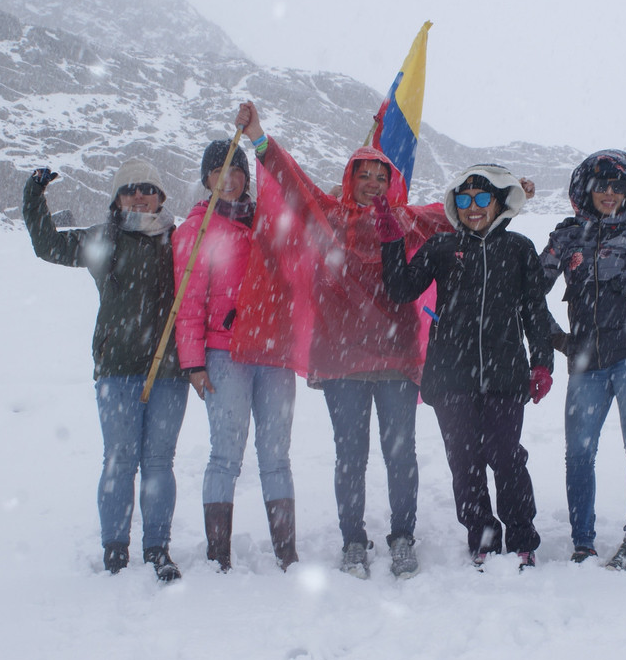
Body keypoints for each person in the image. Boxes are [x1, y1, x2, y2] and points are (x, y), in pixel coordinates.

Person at [236, 101, 451, 579]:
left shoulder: (406, 220)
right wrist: (260, 139)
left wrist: (504, 194)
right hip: (341, 361)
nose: (373, 185)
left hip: (396, 357)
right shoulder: (327, 217)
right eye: (365, 177)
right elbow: (294, 185)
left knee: (401, 453)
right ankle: (353, 540)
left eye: (381, 177)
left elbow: (457, 213)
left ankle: (402, 537)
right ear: (350, 179)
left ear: (391, 182)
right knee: (350, 455)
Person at [377, 165, 554, 570]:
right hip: (451, 376)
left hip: (507, 375)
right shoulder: (442, 247)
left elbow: (534, 311)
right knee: (465, 462)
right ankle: (484, 539)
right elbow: (401, 288)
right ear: (454, 205)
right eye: (464, 200)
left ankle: (523, 538)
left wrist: (542, 363)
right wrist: (391, 239)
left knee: (506, 456)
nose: (473, 209)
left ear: (497, 203)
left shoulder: (519, 248)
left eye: (481, 199)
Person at [22, 159, 188, 582]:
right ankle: (115, 549)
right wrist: (34, 196)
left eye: (148, 188)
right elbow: (47, 245)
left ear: (161, 196)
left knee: (158, 462)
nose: (140, 195)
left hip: (168, 370)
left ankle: (157, 549)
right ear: (117, 197)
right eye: (130, 188)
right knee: (119, 461)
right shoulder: (104, 238)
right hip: (116, 370)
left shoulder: (182, 239)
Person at [539, 150, 626, 570]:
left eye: (618, 187)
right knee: (578, 453)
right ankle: (583, 543)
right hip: (585, 363)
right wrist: (555, 338)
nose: (609, 194)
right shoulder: (566, 238)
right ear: (585, 189)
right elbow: (528, 289)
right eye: (601, 186)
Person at [172, 138, 299, 572]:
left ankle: (286, 551)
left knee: (276, 454)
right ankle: (217, 553)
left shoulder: (268, 223)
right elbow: (188, 304)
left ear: (246, 176)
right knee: (225, 453)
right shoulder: (196, 230)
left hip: (273, 353)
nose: (228, 180)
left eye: (236, 171)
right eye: (218, 172)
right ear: (206, 179)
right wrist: (193, 362)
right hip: (224, 356)